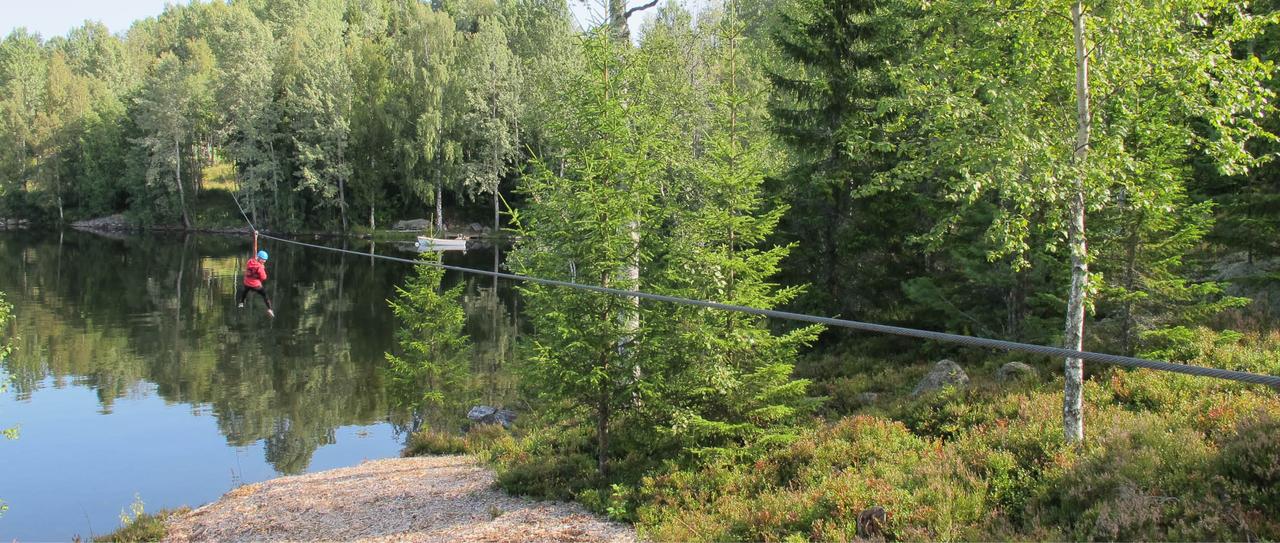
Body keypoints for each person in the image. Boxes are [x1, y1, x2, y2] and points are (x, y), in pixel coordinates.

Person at [238, 233, 274, 318]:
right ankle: (269, 309)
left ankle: (241, 303)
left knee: (245, 291)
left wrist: (255, 237)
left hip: (247, 283)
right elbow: (264, 278)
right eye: (264, 260)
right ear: (260, 259)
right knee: (265, 295)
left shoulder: (252, 261)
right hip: (256, 285)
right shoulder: (260, 267)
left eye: (265, 260)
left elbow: (254, 249)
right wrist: (262, 269)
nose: (265, 261)